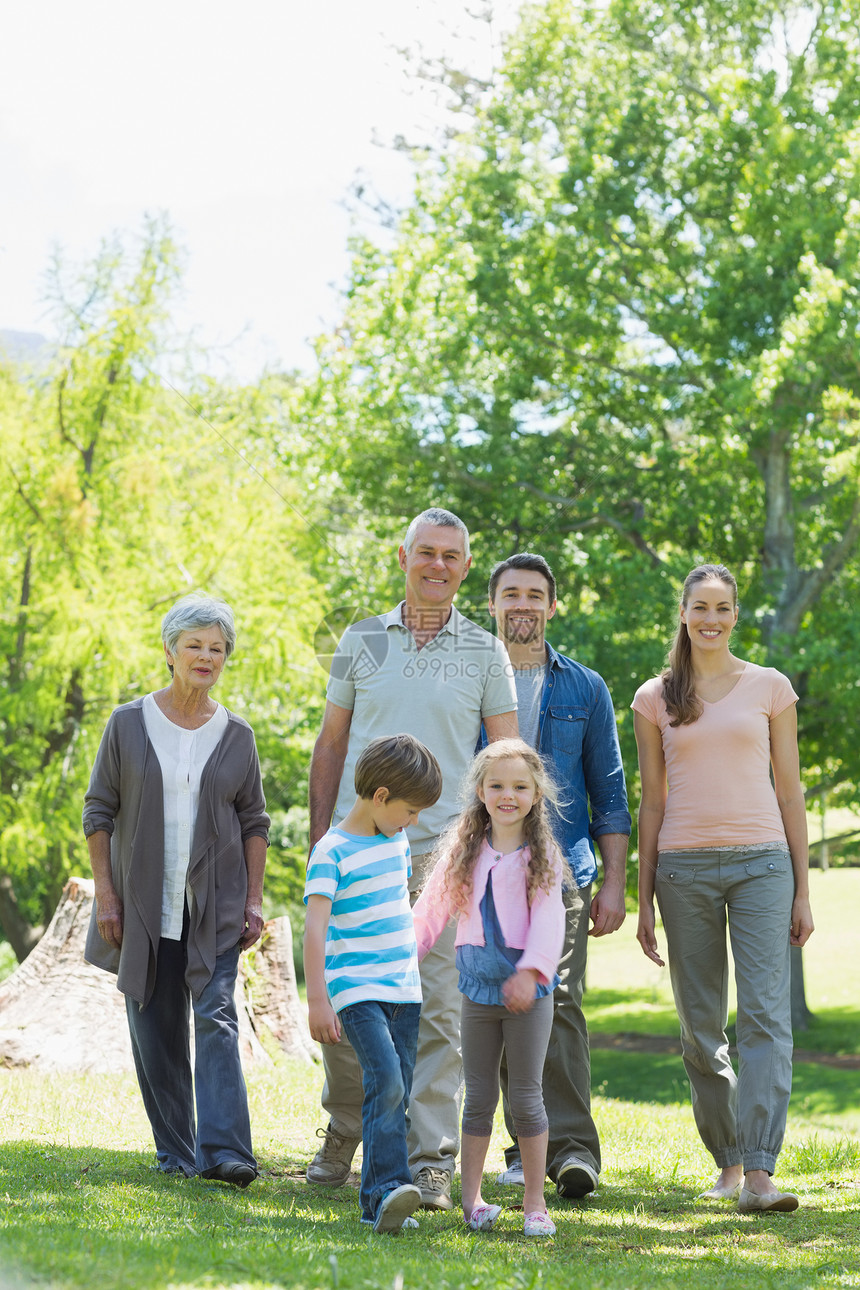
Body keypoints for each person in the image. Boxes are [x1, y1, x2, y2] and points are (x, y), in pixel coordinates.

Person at [306, 507, 517, 1210]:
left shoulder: (487, 652)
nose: (437, 566)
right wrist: (321, 837)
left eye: (450, 556)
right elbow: (332, 745)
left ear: (465, 566)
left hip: (445, 858)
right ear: (403, 557)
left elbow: (504, 759)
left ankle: (430, 1160)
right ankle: (345, 1130)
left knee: (436, 1009)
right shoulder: (362, 639)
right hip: (361, 850)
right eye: (425, 552)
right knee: (349, 998)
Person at [632, 562, 814, 1214]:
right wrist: (644, 893)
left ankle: (761, 1172)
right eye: (700, 606)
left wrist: (802, 889)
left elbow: (790, 791)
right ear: (683, 612)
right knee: (699, 1029)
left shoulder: (770, 687)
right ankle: (728, 1162)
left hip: (764, 865)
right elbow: (652, 802)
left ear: (736, 614)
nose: (711, 618)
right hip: (682, 871)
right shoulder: (655, 697)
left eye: (722, 607)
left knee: (766, 1019)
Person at [83, 595, 269, 1186]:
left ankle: (226, 1153)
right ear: (170, 651)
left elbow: (254, 822)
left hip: (213, 905)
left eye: (217, 648)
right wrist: (105, 897)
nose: (206, 656)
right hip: (141, 903)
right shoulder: (127, 722)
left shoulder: (237, 734)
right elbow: (99, 810)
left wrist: (255, 899)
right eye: (194, 645)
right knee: (155, 1026)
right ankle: (177, 1152)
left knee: (216, 1017)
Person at [487, 553, 630, 1199]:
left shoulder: (585, 687)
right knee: (495, 1004)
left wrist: (616, 882)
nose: (523, 604)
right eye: (511, 594)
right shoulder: (470, 679)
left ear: (553, 606)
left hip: (564, 871)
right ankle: (522, 1151)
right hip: (487, 870)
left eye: (535, 595)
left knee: (559, 1003)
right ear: (491, 605)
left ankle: (573, 1153)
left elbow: (611, 793)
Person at [413, 739, 568, 1236]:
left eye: (520, 786)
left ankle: (535, 1204)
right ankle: (472, 1201)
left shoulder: (542, 854)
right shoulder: (464, 848)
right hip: (477, 990)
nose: (508, 795)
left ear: (536, 793)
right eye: (497, 785)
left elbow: (550, 917)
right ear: (480, 790)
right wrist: (404, 956)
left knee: (525, 1097)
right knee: (477, 1096)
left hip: (528, 996)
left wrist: (531, 972)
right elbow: (432, 908)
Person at [304, 734, 443, 1233]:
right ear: (381, 796)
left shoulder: (396, 841)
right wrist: (317, 998)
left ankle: (387, 1198)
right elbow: (315, 928)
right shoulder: (332, 851)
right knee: (383, 1080)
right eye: (410, 810)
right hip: (357, 989)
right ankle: (383, 1194)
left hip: (404, 990)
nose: (414, 821)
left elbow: (397, 914)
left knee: (397, 1089)